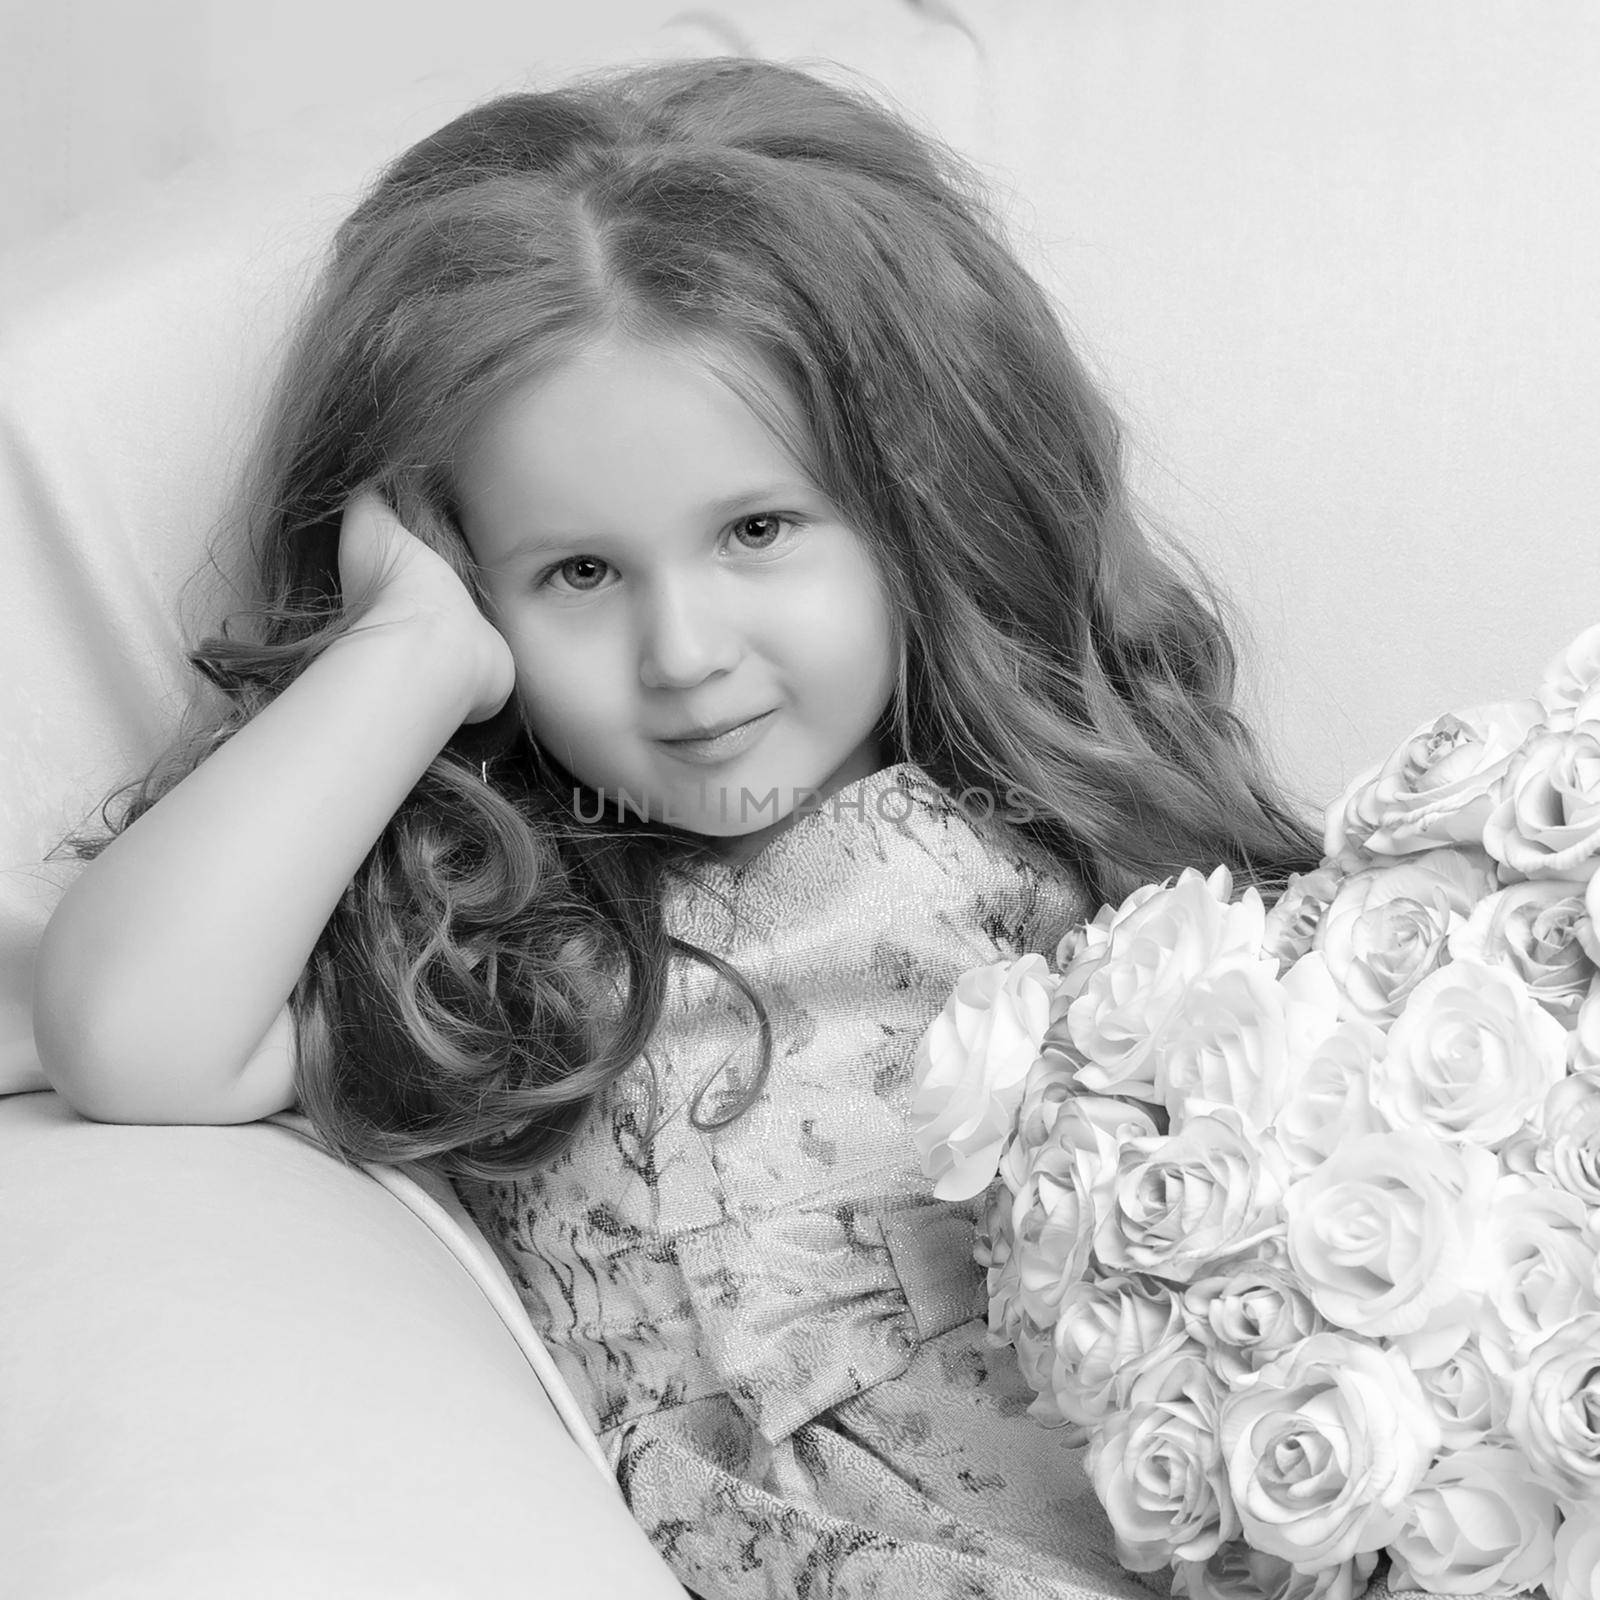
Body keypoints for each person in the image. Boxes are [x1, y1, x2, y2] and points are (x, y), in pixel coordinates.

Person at [33, 57, 1320, 1599]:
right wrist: (405, 654)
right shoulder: (505, 939)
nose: (684, 653)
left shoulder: (1057, 848)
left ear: (926, 508)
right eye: (578, 572)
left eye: (758, 530)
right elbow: (128, 1031)